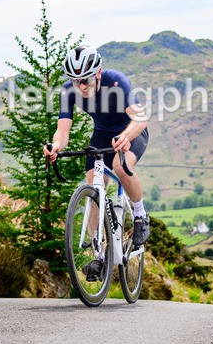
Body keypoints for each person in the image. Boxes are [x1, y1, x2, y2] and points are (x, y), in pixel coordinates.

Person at [43, 45, 150, 280]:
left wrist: (126, 137)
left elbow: (140, 117)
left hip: (131, 131)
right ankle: (99, 256)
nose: (81, 87)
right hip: (101, 135)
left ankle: (141, 216)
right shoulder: (68, 92)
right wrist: (55, 147)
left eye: (86, 80)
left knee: (121, 168)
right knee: (93, 185)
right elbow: (62, 131)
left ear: (98, 73)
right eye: (75, 81)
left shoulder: (116, 82)